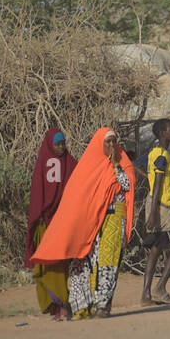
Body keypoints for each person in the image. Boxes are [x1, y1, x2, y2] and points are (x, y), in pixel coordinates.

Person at [31, 128, 135, 320]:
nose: (112, 146)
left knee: (108, 263)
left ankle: (103, 306)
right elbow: (77, 196)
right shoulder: (89, 166)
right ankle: (82, 306)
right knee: (84, 263)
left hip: (114, 218)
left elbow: (127, 185)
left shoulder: (123, 161)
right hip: (92, 221)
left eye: (114, 141)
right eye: (108, 142)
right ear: (99, 144)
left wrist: (114, 165)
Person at [25, 128, 76, 321]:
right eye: (57, 144)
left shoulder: (65, 162)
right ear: (50, 144)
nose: (61, 147)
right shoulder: (67, 163)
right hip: (48, 224)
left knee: (56, 266)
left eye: (63, 143)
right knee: (48, 266)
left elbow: (38, 194)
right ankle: (57, 307)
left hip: (55, 223)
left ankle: (62, 306)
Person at [140, 118, 170, 306]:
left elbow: (137, 165)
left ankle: (146, 295)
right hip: (159, 205)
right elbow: (159, 182)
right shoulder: (162, 155)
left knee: (156, 249)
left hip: (159, 203)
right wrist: (154, 212)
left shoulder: (154, 153)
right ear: (163, 133)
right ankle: (159, 288)